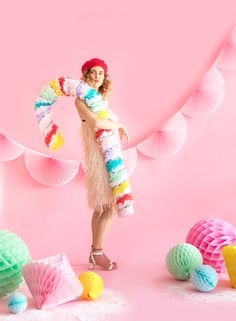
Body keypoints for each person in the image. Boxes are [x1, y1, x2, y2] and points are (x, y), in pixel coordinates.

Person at [75, 58, 130, 271]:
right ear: (86, 74)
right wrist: (121, 124)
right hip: (99, 157)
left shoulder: (100, 99)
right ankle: (97, 253)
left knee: (102, 207)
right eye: (93, 72)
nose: (98, 76)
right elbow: (96, 123)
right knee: (108, 206)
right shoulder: (81, 101)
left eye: (101, 73)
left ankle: (94, 253)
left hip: (108, 153)